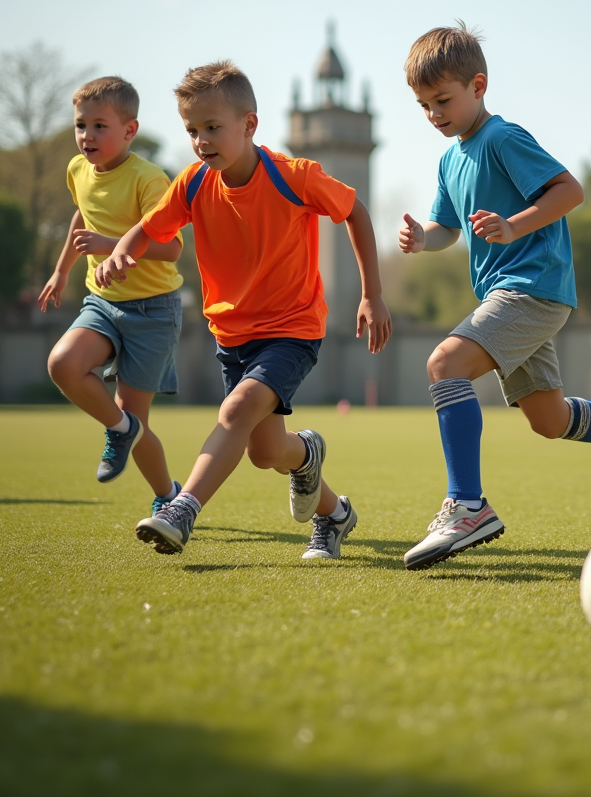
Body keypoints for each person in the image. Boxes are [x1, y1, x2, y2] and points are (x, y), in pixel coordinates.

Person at [399, 23, 591, 571]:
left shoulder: (502, 138)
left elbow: (569, 190)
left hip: (531, 289)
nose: (434, 113)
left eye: (442, 100)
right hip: (507, 296)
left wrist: (514, 226)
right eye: (423, 105)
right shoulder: (449, 159)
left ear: (478, 86)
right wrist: (421, 241)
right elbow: (447, 229)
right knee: (548, 419)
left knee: (445, 363)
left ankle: (468, 506)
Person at [94, 61, 391, 559]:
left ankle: (181, 509)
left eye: (213, 128)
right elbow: (151, 226)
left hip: (293, 329)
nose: (201, 140)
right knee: (266, 452)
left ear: (249, 125)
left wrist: (372, 294)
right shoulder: (192, 183)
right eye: (192, 130)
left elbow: (354, 211)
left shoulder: (293, 177)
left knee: (234, 410)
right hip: (232, 335)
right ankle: (331, 507)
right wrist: (124, 248)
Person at [39, 76, 184, 515]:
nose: (87, 136)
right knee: (63, 364)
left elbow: (172, 248)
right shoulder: (76, 170)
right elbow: (82, 216)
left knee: (136, 418)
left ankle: (167, 497)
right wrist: (61, 271)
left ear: (129, 131)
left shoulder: (149, 179)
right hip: (101, 302)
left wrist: (110, 244)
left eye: (100, 126)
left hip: (153, 311)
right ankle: (119, 429)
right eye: (81, 125)